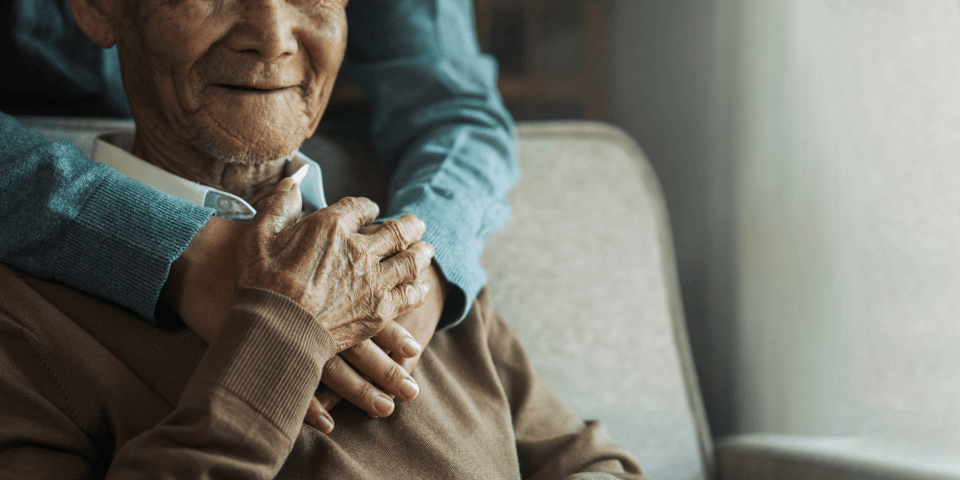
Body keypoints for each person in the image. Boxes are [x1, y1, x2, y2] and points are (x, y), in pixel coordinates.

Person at [0, 0, 646, 478]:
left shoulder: (407, 254)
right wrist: (280, 337)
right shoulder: (25, 318)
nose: (272, 38)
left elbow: (589, 463)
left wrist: (416, 267)